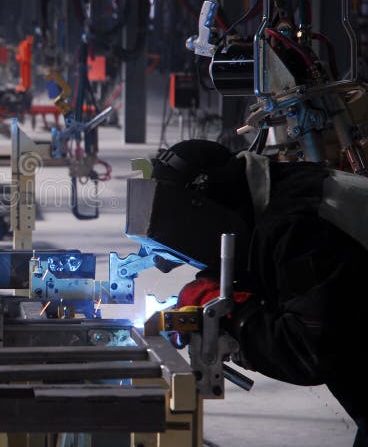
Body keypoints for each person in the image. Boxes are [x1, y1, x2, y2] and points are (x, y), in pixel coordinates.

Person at [132, 139, 368, 445]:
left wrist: (234, 315)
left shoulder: (298, 226)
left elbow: (307, 349)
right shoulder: (275, 196)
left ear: (204, 200)